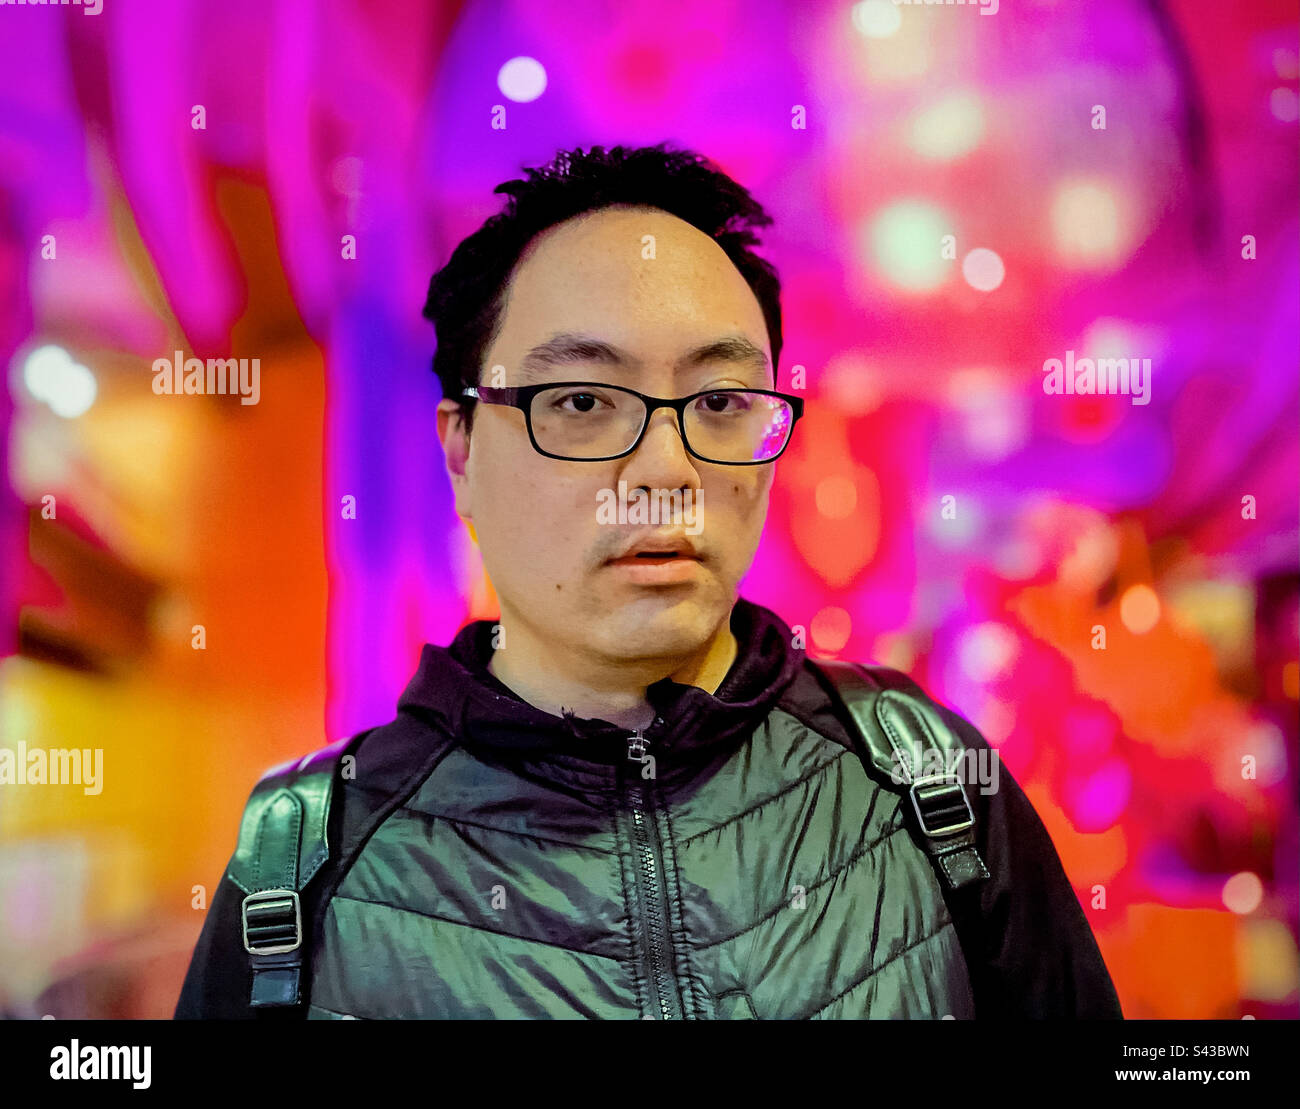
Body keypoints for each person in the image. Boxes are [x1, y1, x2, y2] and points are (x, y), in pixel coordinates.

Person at [175, 143, 1122, 1019]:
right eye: (581, 401)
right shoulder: (306, 861)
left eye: (718, 403)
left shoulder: (929, 783)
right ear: (461, 450)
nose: (667, 469)